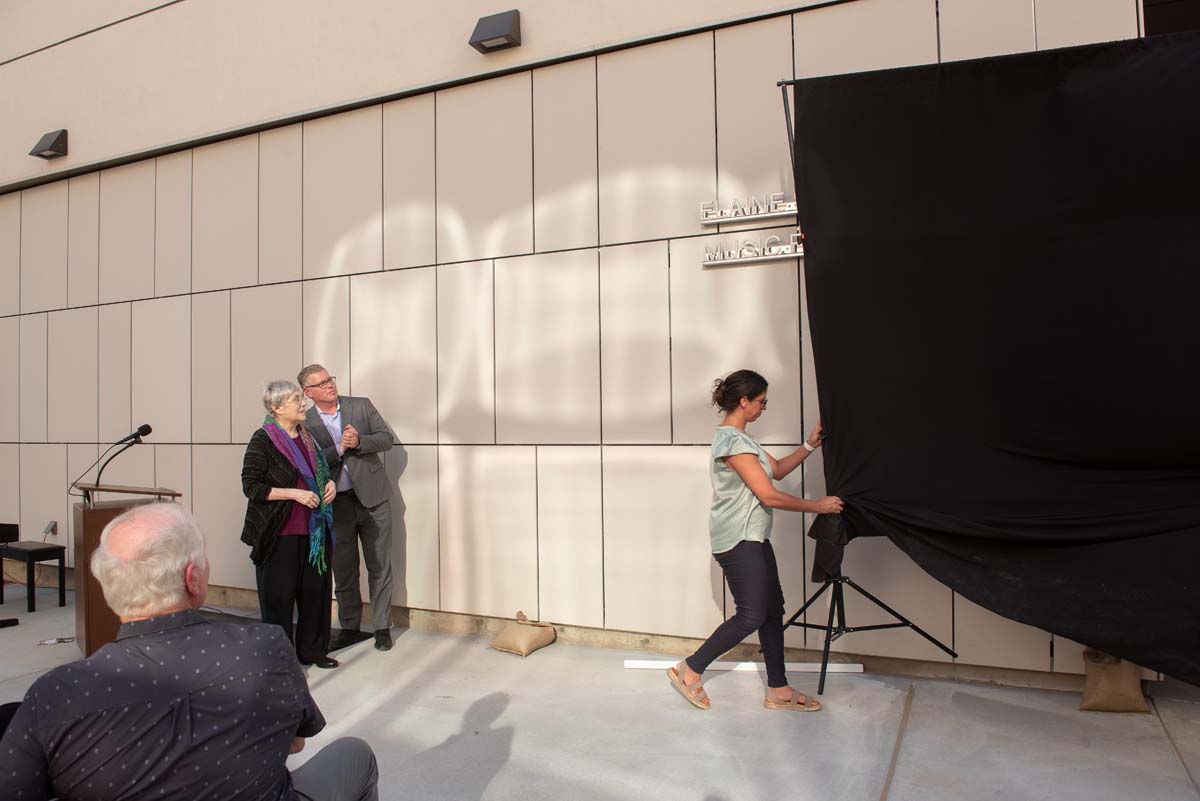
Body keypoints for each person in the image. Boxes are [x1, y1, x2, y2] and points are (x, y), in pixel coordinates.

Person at [0, 502, 379, 801]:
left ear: (108, 587)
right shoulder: (265, 648)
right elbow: (295, 740)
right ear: (193, 579)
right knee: (355, 755)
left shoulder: (53, 695)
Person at [669, 369, 844, 712]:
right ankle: (689, 668)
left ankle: (777, 688)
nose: (764, 407)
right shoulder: (731, 442)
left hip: (754, 536)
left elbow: (775, 470)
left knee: (771, 611)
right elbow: (769, 494)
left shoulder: (744, 440)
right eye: (761, 401)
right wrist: (818, 506)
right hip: (736, 538)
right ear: (744, 401)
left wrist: (810, 445)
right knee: (750, 615)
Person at [241, 379, 339, 668]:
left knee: (315, 594)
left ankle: (312, 651)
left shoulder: (307, 436)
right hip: (279, 532)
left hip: (313, 531)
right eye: (296, 399)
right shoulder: (264, 439)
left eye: (301, 398)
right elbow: (252, 486)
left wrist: (330, 484)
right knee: (279, 599)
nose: (302, 403)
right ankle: (279, 659)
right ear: (276, 407)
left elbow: (319, 474)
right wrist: (294, 494)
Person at [298, 365, 397, 652]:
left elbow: (386, 439)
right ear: (309, 392)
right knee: (343, 569)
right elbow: (312, 461)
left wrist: (360, 441)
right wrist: (341, 447)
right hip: (336, 503)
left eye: (330, 379)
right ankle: (350, 626)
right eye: (322, 383)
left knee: (379, 564)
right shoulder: (306, 422)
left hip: (373, 499)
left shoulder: (361, 406)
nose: (330, 385)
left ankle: (381, 628)